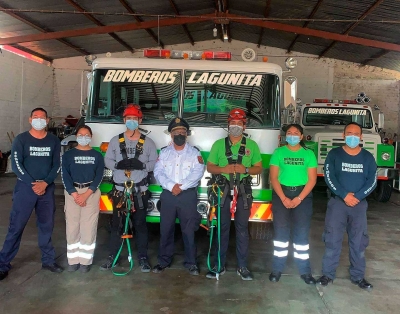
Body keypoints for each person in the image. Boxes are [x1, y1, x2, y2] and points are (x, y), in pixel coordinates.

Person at [0, 108, 62, 281]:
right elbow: (17, 164)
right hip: (26, 189)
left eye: (42, 118)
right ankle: (3, 264)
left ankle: (48, 261)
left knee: (46, 226)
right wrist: (33, 184)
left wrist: (45, 183)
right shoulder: (21, 139)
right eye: (36, 117)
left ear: (48, 121)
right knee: (16, 227)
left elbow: (56, 164)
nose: (39, 120)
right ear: (30, 120)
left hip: (46, 188)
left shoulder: (54, 141)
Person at [317, 122, 377, 290]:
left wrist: (357, 197)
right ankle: (327, 274)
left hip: (358, 205)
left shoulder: (367, 157)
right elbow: (329, 178)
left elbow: (372, 181)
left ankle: (358, 276)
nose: (352, 136)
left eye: (356, 133)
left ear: (361, 137)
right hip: (338, 204)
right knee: (332, 239)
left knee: (358, 242)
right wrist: (344, 195)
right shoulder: (334, 154)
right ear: (343, 136)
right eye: (349, 133)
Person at [206, 108, 262, 281]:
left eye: (239, 123)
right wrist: (224, 169)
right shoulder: (218, 145)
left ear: (244, 126)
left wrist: (245, 169)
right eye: (232, 123)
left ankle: (242, 266)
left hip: (243, 191)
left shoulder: (251, 146)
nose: (235, 126)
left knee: (242, 229)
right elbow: (210, 167)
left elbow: (259, 167)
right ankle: (219, 265)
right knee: (221, 228)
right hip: (222, 190)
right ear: (227, 125)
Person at [100, 104, 157, 272]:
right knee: (117, 225)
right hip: (120, 191)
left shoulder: (148, 142)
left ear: (140, 120)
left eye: (135, 118)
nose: (132, 121)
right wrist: (118, 164)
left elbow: (154, 163)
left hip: (140, 192)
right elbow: (107, 160)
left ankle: (143, 258)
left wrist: (142, 165)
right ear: (124, 120)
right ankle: (113, 257)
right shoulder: (115, 141)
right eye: (129, 118)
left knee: (140, 225)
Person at [153, 118, 205, 275]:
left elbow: (198, 172)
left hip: (187, 195)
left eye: (182, 132)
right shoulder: (164, 153)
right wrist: (171, 187)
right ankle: (163, 261)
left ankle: (191, 263)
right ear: (171, 135)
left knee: (189, 230)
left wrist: (180, 187)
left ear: (187, 135)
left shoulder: (195, 153)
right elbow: (158, 171)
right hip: (168, 195)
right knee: (166, 229)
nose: (179, 135)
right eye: (176, 133)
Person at [269, 124, 317, 284]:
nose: (292, 135)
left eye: (296, 133)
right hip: (281, 194)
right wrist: (283, 198)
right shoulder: (278, 152)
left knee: (301, 234)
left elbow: (312, 180)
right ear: (285, 136)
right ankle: (277, 269)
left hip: (302, 195)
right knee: (281, 234)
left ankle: (305, 271)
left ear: (301, 136)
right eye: (289, 133)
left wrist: (299, 198)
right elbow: (274, 178)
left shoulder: (309, 154)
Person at [61, 125, 104, 273]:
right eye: (80, 134)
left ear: (91, 137)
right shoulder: (68, 155)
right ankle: (73, 261)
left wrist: (86, 194)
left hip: (90, 193)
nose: (83, 137)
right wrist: (74, 194)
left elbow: (99, 176)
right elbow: (65, 176)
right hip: (72, 192)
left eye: (86, 135)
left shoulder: (97, 155)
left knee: (88, 227)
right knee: (72, 227)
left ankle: (85, 261)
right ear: (76, 136)